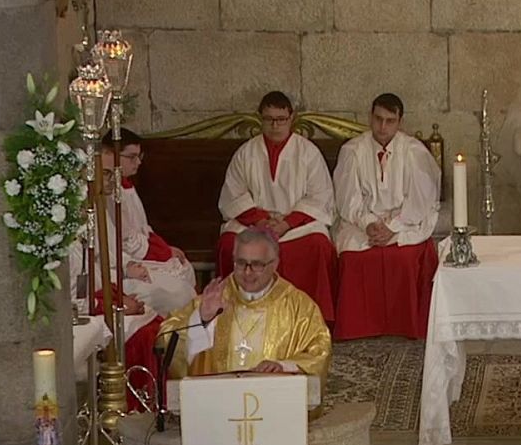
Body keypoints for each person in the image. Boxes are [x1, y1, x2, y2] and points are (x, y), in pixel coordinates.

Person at [78, 130, 198, 411]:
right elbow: (89, 270)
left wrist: (126, 267)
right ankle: (144, 394)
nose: (111, 180)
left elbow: (114, 247)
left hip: (117, 276)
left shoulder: (102, 200)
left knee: (179, 285)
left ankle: (181, 366)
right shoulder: (83, 210)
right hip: (106, 287)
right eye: (106, 174)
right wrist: (124, 276)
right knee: (173, 293)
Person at [217, 91, 337, 323]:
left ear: (292, 117)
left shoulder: (308, 152)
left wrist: (286, 223)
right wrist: (261, 221)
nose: (275, 125)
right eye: (269, 119)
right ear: (260, 118)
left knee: (318, 246)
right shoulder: (246, 153)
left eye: (280, 119)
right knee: (228, 245)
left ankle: (308, 319)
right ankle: (236, 315)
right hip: (254, 225)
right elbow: (234, 195)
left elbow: (319, 195)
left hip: (295, 225)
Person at [331, 93, 442, 341]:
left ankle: (406, 326)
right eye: (378, 119)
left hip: (404, 222)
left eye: (390, 121)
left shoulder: (414, 151)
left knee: (403, 260)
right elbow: (348, 197)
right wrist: (369, 224)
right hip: (362, 222)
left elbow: (421, 198)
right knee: (353, 258)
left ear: (400, 122)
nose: (383, 127)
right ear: (370, 118)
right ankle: (358, 327)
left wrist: (393, 228)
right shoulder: (352, 150)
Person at [162, 229, 332, 381]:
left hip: (274, 400)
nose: (247, 272)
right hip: (218, 401)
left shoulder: (299, 306)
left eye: (257, 264)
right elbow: (166, 341)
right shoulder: (213, 298)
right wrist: (201, 319)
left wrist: (284, 366)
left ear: (274, 264)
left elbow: (319, 350)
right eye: (241, 263)